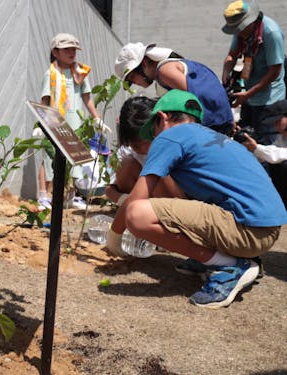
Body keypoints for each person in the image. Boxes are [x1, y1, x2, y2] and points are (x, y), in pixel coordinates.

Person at [108, 89, 286, 308]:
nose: (153, 138)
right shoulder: (210, 137)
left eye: (152, 130)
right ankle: (225, 257)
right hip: (265, 230)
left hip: (248, 231)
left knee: (138, 215)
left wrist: (114, 237)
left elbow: (135, 203)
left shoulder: (171, 136)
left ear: (162, 118)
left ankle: (231, 265)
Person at [36, 32, 110, 210]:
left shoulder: (80, 73)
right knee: (49, 156)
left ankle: (69, 196)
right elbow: (45, 100)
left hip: (75, 122)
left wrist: (97, 118)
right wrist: (40, 123)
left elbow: (87, 98)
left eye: (74, 49)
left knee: (74, 158)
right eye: (66, 49)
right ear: (55, 52)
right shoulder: (50, 73)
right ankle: (43, 196)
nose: (72, 52)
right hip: (54, 121)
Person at [105, 96, 184, 256]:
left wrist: (115, 235)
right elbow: (109, 190)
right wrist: (124, 200)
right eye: (135, 144)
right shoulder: (129, 152)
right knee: (127, 164)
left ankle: (168, 228)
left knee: (158, 169)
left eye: (146, 140)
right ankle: (146, 224)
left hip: (178, 206)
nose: (142, 147)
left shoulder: (173, 143)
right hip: (143, 203)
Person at [115, 43, 234, 134]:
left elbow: (191, 100)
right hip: (219, 122)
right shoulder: (166, 70)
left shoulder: (164, 70)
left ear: (144, 63)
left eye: (132, 78)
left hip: (212, 124)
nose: (134, 83)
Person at [221, 0, 285, 145]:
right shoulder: (241, 32)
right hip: (249, 95)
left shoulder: (271, 33)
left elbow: (275, 70)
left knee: (264, 144)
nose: (238, 32)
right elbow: (232, 55)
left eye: (240, 28)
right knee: (245, 138)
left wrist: (248, 94)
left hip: (269, 100)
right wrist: (226, 74)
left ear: (250, 21)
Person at [241, 99, 287, 207]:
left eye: (277, 121)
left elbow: (280, 155)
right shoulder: (282, 137)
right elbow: (271, 153)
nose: (275, 126)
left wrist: (256, 148)